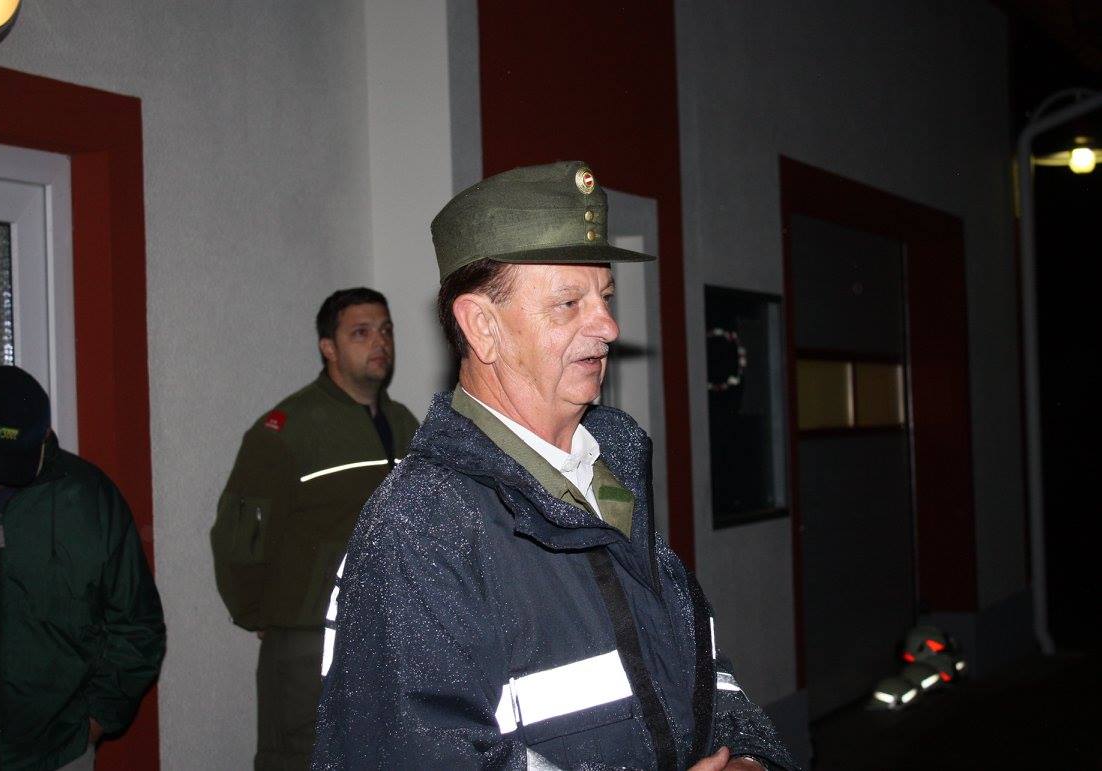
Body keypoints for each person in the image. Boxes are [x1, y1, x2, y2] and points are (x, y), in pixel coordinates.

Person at [311, 162, 797, 770]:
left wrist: (749, 758)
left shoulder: (608, 476)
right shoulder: (420, 524)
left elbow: (695, 672)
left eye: (605, 297)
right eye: (568, 303)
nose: (609, 327)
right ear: (482, 328)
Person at [211, 287, 420, 771]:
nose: (380, 343)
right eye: (361, 333)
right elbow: (240, 538)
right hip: (306, 642)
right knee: (301, 758)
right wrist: (261, 614)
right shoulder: (288, 429)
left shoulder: (404, 423)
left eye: (386, 330)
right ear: (329, 347)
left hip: (389, 633)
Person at [0, 366, 165, 770]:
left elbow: (138, 626)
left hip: (58, 755)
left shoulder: (88, 499)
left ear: (44, 439)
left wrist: (93, 722)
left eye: (5, 464)